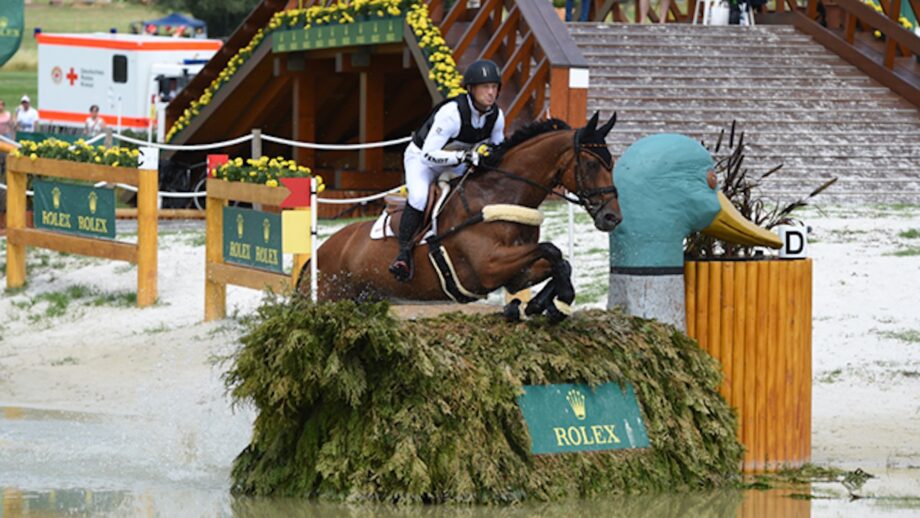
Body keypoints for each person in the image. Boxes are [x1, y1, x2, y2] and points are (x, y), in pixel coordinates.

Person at [388, 59, 506, 282]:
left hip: (455, 163)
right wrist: (464, 156)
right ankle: (403, 254)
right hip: (422, 161)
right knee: (419, 197)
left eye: (494, 87)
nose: (491, 93)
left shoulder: (496, 116)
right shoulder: (452, 113)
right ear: (471, 89)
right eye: (485, 87)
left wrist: (489, 157)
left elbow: (498, 148)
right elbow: (428, 154)